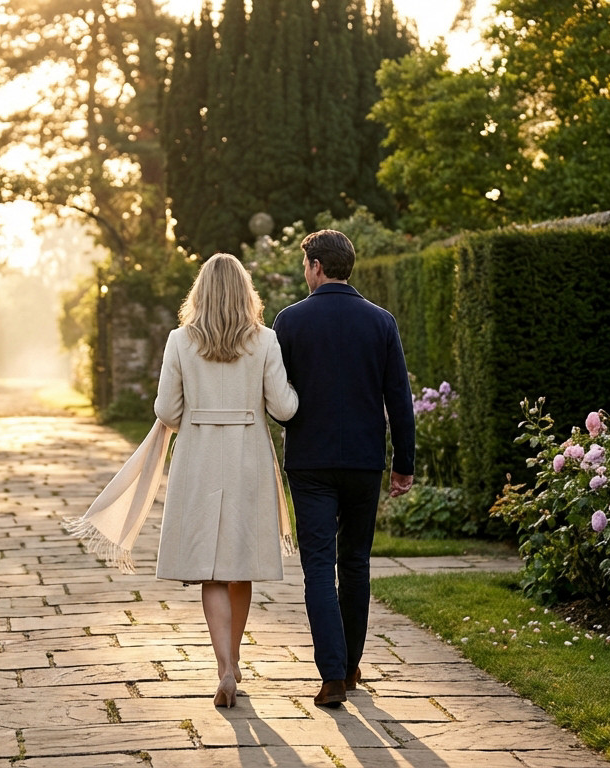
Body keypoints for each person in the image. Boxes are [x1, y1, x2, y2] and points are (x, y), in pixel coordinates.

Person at [271, 229, 415, 709]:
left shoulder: (289, 321)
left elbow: (278, 396)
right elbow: (399, 397)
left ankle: (332, 675)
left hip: (309, 462)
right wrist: (404, 465)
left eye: (305, 265)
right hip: (363, 460)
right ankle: (352, 666)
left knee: (317, 564)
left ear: (315, 266)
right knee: (355, 562)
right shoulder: (381, 322)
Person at [153, 253, 299, 708]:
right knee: (240, 566)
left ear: (200, 292)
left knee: (210, 571)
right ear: (245, 292)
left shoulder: (180, 340)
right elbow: (284, 408)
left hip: (198, 457)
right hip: (247, 459)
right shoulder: (266, 340)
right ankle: (234, 660)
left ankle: (222, 668)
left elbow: (166, 411)